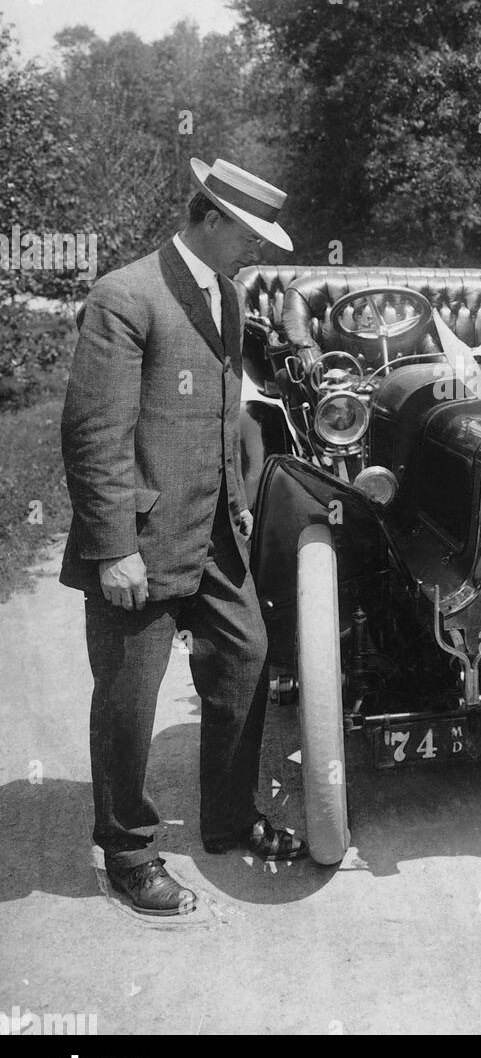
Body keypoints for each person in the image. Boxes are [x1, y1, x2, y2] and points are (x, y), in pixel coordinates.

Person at [60, 157, 308, 917]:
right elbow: (94, 433)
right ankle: (130, 851)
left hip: (214, 536)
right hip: (141, 539)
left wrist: (237, 503)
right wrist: (114, 547)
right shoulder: (125, 295)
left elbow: (227, 412)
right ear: (209, 219)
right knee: (130, 700)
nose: (259, 250)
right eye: (251, 234)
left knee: (246, 658)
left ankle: (228, 820)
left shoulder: (229, 297)